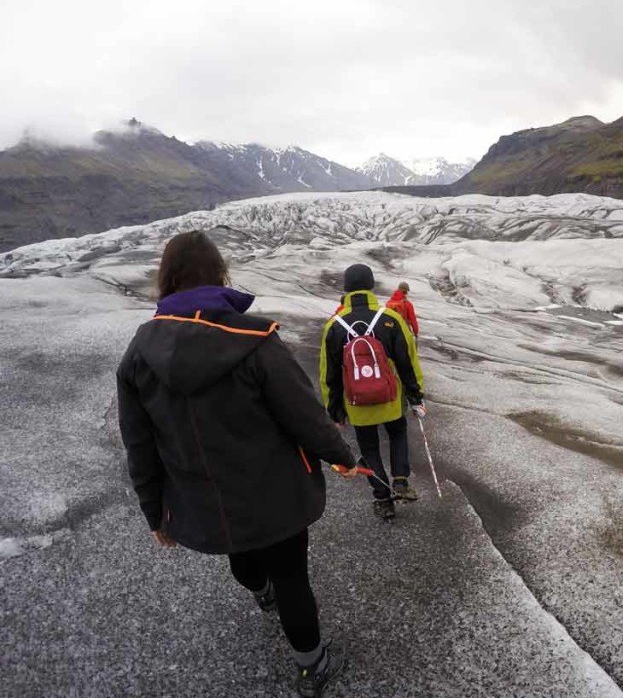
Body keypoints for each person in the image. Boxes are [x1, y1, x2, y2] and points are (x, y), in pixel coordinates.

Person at [116, 231, 359, 698]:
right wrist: (341, 457)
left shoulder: (138, 355)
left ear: (166, 282)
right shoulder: (255, 341)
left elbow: (139, 444)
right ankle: (313, 665)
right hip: (276, 495)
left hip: (206, 501)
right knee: (293, 578)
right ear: (219, 275)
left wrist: (154, 512)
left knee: (242, 555)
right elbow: (303, 414)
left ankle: (259, 591)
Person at [320, 264, 425, 521]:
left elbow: (329, 374)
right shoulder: (390, 319)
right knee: (398, 434)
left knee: (369, 448)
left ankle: (383, 499)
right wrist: (416, 397)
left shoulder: (334, 325)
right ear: (371, 286)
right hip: (390, 399)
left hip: (357, 403)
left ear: (345, 289)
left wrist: (335, 410)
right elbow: (407, 362)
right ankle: (400, 481)